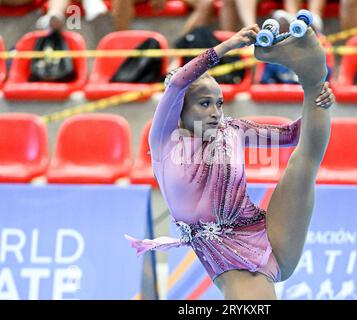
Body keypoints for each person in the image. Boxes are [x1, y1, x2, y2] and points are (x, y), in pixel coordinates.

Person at [126, 23, 333, 299]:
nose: (215, 112)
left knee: (304, 160)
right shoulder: (165, 139)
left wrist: (319, 100)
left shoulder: (231, 130)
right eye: (204, 103)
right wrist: (226, 47)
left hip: (271, 235)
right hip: (238, 264)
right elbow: (178, 83)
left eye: (220, 103)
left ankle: (311, 74)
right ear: (180, 108)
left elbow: (294, 135)